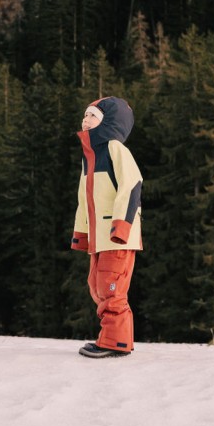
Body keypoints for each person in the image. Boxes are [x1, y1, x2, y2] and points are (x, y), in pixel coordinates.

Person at [71, 96, 142, 358]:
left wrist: (121, 226)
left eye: (92, 116)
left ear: (109, 122)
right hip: (99, 237)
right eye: (85, 115)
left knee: (111, 287)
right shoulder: (89, 157)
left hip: (116, 236)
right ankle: (112, 337)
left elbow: (132, 185)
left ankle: (115, 343)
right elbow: (84, 200)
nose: (85, 120)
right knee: (97, 285)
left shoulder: (115, 149)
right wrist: (81, 235)